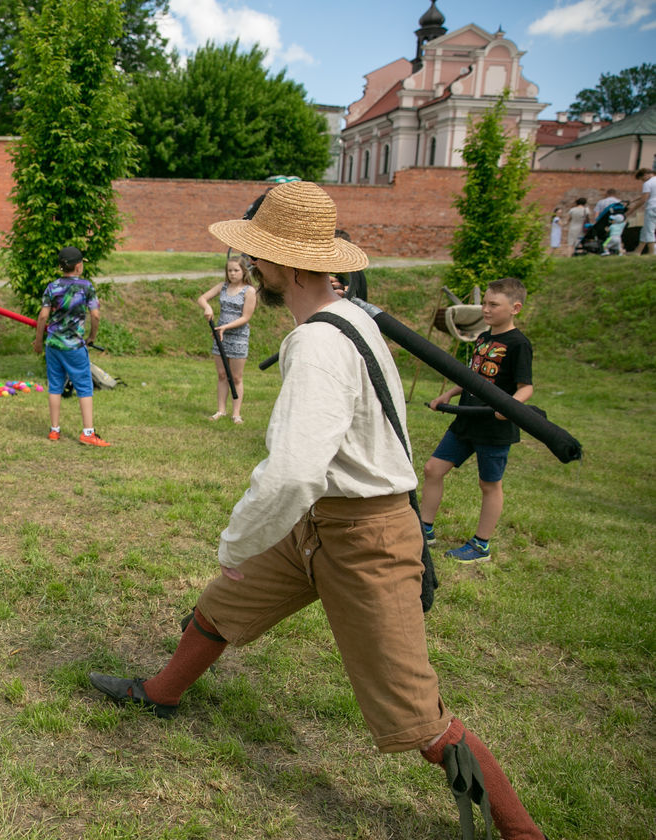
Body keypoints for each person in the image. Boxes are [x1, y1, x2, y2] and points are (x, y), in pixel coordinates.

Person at [88, 181, 545, 840]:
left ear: (281, 265)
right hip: (318, 523)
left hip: (366, 537)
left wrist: (235, 541)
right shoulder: (351, 317)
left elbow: (295, 471)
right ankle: (162, 693)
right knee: (224, 604)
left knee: (418, 716)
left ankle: (522, 831)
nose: (258, 267)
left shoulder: (320, 342)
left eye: (261, 255)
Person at [420, 277, 534, 564]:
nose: (485, 309)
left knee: (489, 485)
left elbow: (526, 387)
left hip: (494, 427)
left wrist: (508, 406)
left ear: (515, 308)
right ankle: (425, 530)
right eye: (485, 302)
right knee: (433, 469)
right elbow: (473, 377)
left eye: (493, 304)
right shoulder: (484, 338)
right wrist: (447, 394)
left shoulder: (519, 344)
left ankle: (481, 545)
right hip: (466, 420)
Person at [32, 246, 109, 447]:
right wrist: (92, 336)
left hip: (53, 345)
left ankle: (54, 430)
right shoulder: (86, 287)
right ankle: (88, 433)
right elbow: (95, 315)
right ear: (78, 266)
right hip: (74, 346)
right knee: (84, 386)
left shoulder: (52, 287)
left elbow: (42, 316)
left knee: (55, 386)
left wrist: (39, 341)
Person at [197, 257, 256, 422]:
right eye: (230, 270)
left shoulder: (249, 291)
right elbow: (202, 298)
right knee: (222, 375)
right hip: (220, 335)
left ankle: (236, 414)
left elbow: (246, 317)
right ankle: (220, 411)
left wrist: (225, 327)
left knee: (236, 377)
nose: (232, 273)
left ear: (244, 271)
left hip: (238, 336)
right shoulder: (223, 286)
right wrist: (207, 307)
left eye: (236, 270)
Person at [637, 168, 656, 256]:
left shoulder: (648, 183)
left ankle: (652, 253)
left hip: (652, 207)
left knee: (649, 230)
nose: (642, 181)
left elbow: (643, 200)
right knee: (645, 230)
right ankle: (637, 251)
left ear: (645, 175)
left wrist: (631, 210)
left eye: (642, 179)